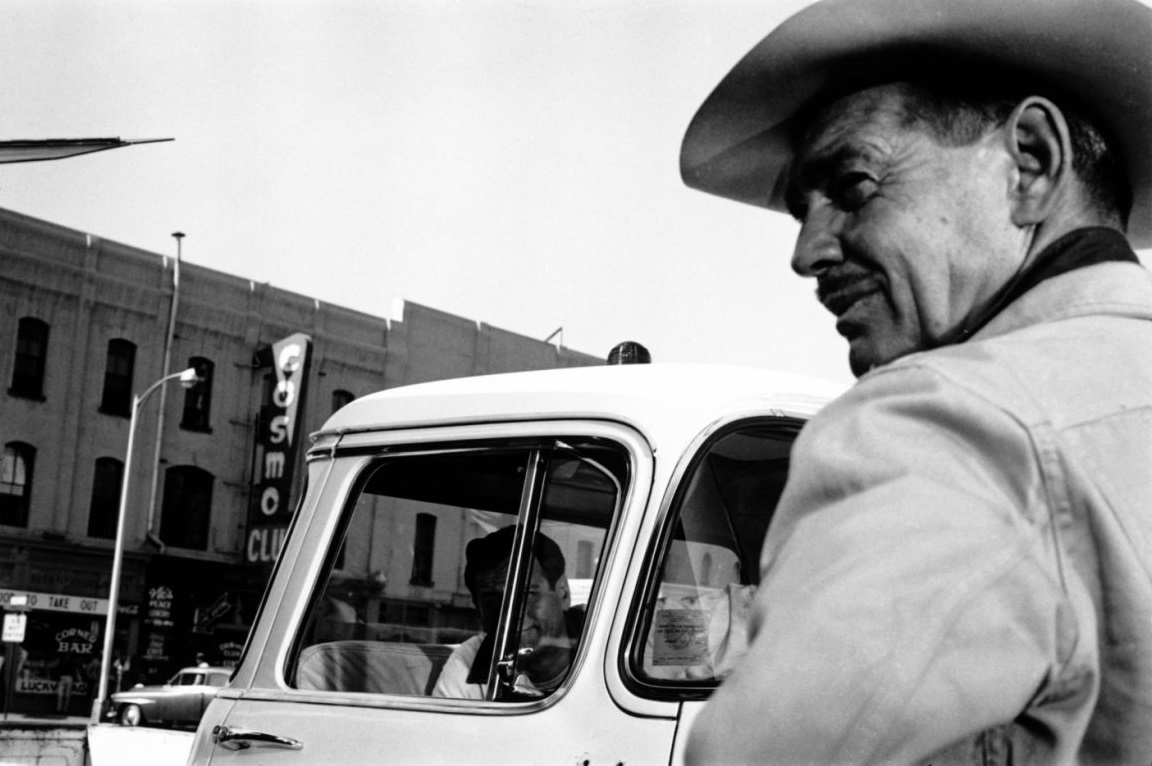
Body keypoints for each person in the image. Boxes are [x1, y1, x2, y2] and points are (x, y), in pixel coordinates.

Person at [679, 0, 1152, 762]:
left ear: (1029, 163)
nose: (806, 253)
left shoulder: (947, 426)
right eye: (802, 210)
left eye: (854, 183)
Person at [432, 526, 584, 700]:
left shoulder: (605, 638)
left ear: (563, 594)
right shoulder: (468, 665)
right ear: (478, 609)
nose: (509, 615)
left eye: (527, 594)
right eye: (491, 601)